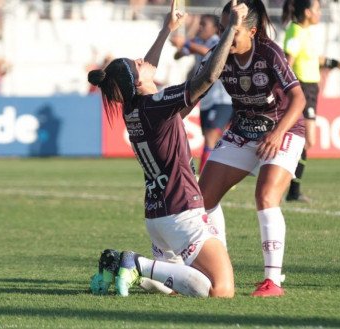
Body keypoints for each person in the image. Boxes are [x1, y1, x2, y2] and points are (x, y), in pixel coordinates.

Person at [87, 0, 248, 298]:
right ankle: (135, 263)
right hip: (181, 211)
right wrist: (231, 30)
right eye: (138, 64)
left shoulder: (134, 108)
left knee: (178, 287)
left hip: (157, 215)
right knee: (222, 290)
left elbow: (143, 74)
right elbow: (208, 78)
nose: (143, 60)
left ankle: (123, 269)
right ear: (137, 80)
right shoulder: (158, 105)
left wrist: (165, 30)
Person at [196, 0, 307, 297]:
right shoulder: (219, 55)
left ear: (253, 31)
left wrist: (277, 134)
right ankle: (218, 268)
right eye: (222, 30)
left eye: (232, 31)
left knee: (266, 195)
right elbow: (191, 91)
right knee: (201, 199)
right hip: (244, 130)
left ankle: (273, 281)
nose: (225, 37)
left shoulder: (269, 52)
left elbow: (298, 99)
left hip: (281, 129)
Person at [282, 0, 340, 202]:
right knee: (307, 140)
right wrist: (289, 90)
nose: (319, 13)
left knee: (306, 140)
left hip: (311, 88)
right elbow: (288, 63)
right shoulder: (295, 32)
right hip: (302, 88)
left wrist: (337, 64)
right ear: (307, 12)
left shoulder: (306, 33)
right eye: (317, 9)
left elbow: (315, 59)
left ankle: (292, 191)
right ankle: (287, 186)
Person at [171, 14, 234, 173]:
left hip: (222, 98)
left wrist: (186, 43)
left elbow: (210, 53)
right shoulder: (198, 41)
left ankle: (204, 176)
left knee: (211, 137)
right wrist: (185, 44)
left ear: (214, 28)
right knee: (213, 138)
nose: (200, 27)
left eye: (203, 24)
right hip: (206, 99)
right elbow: (178, 55)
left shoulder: (217, 42)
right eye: (199, 24)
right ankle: (222, 172)